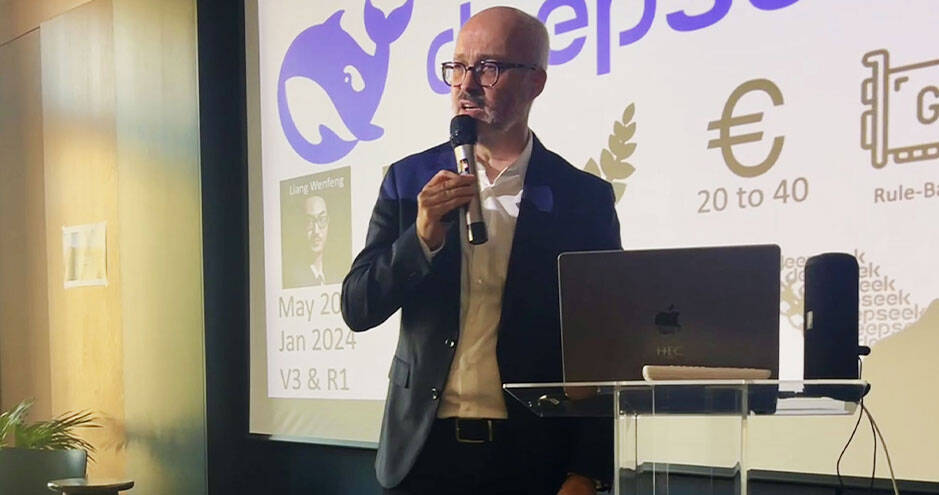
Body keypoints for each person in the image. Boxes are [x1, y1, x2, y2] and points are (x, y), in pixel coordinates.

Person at [341, 7, 621, 495]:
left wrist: (589, 468)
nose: (466, 83)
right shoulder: (408, 182)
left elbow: (603, 346)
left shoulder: (582, 198)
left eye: (487, 68)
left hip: (533, 455)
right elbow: (357, 306)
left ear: (535, 82)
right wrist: (423, 236)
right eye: (457, 67)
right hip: (422, 453)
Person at [290, 195, 329, 287]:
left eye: (322, 220)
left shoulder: (336, 274)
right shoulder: (293, 280)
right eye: (309, 222)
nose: (316, 231)